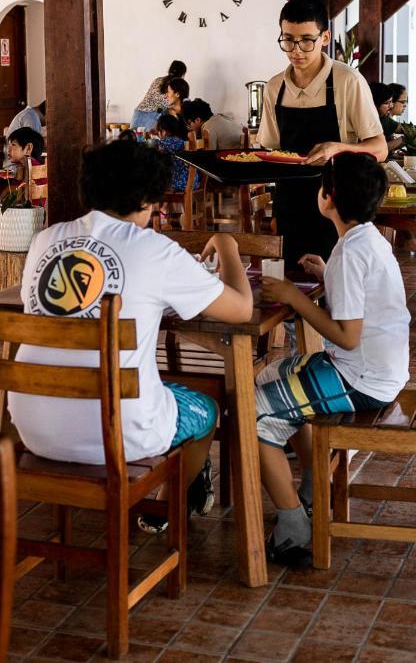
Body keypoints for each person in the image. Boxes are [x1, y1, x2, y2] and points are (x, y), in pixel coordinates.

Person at [8, 139, 253, 532]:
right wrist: (227, 246)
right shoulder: (155, 249)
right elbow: (241, 309)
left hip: (36, 429)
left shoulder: (45, 241)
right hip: (121, 436)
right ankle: (160, 508)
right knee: (205, 406)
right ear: (145, 198)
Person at [256, 152, 410, 565]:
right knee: (270, 373)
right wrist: (328, 275)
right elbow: (361, 301)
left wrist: (292, 297)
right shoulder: (366, 241)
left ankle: (293, 528)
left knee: (251, 414)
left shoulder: (348, 252)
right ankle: (310, 490)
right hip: (378, 371)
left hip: (360, 381)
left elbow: (347, 334)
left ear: (328, 197)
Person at [257, 0, 387, 268]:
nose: (296, 50)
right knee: (293, 288)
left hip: (338, 205)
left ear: (325, 37)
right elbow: (269, 150)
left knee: (338, 292)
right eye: (288, 39)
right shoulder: (274, 87)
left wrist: (336, 148)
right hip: (289, 203)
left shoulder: (347, 81)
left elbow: (380, 149)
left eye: (306, 40)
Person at [130, 61, 188, 131]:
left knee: (132, 140)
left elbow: (157, 102)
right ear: (182, 74)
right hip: (153, 116)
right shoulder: (174, 86)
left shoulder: (158, 80)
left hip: (138, 113)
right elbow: (168, 106)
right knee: (149, 140)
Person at [157, 113, 199, 193]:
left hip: (179, 183)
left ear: (164, 131)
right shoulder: (181, 140)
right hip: (193, 181)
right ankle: (169, 206)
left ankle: (154, 205)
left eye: (159, 131)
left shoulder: (164, 142)